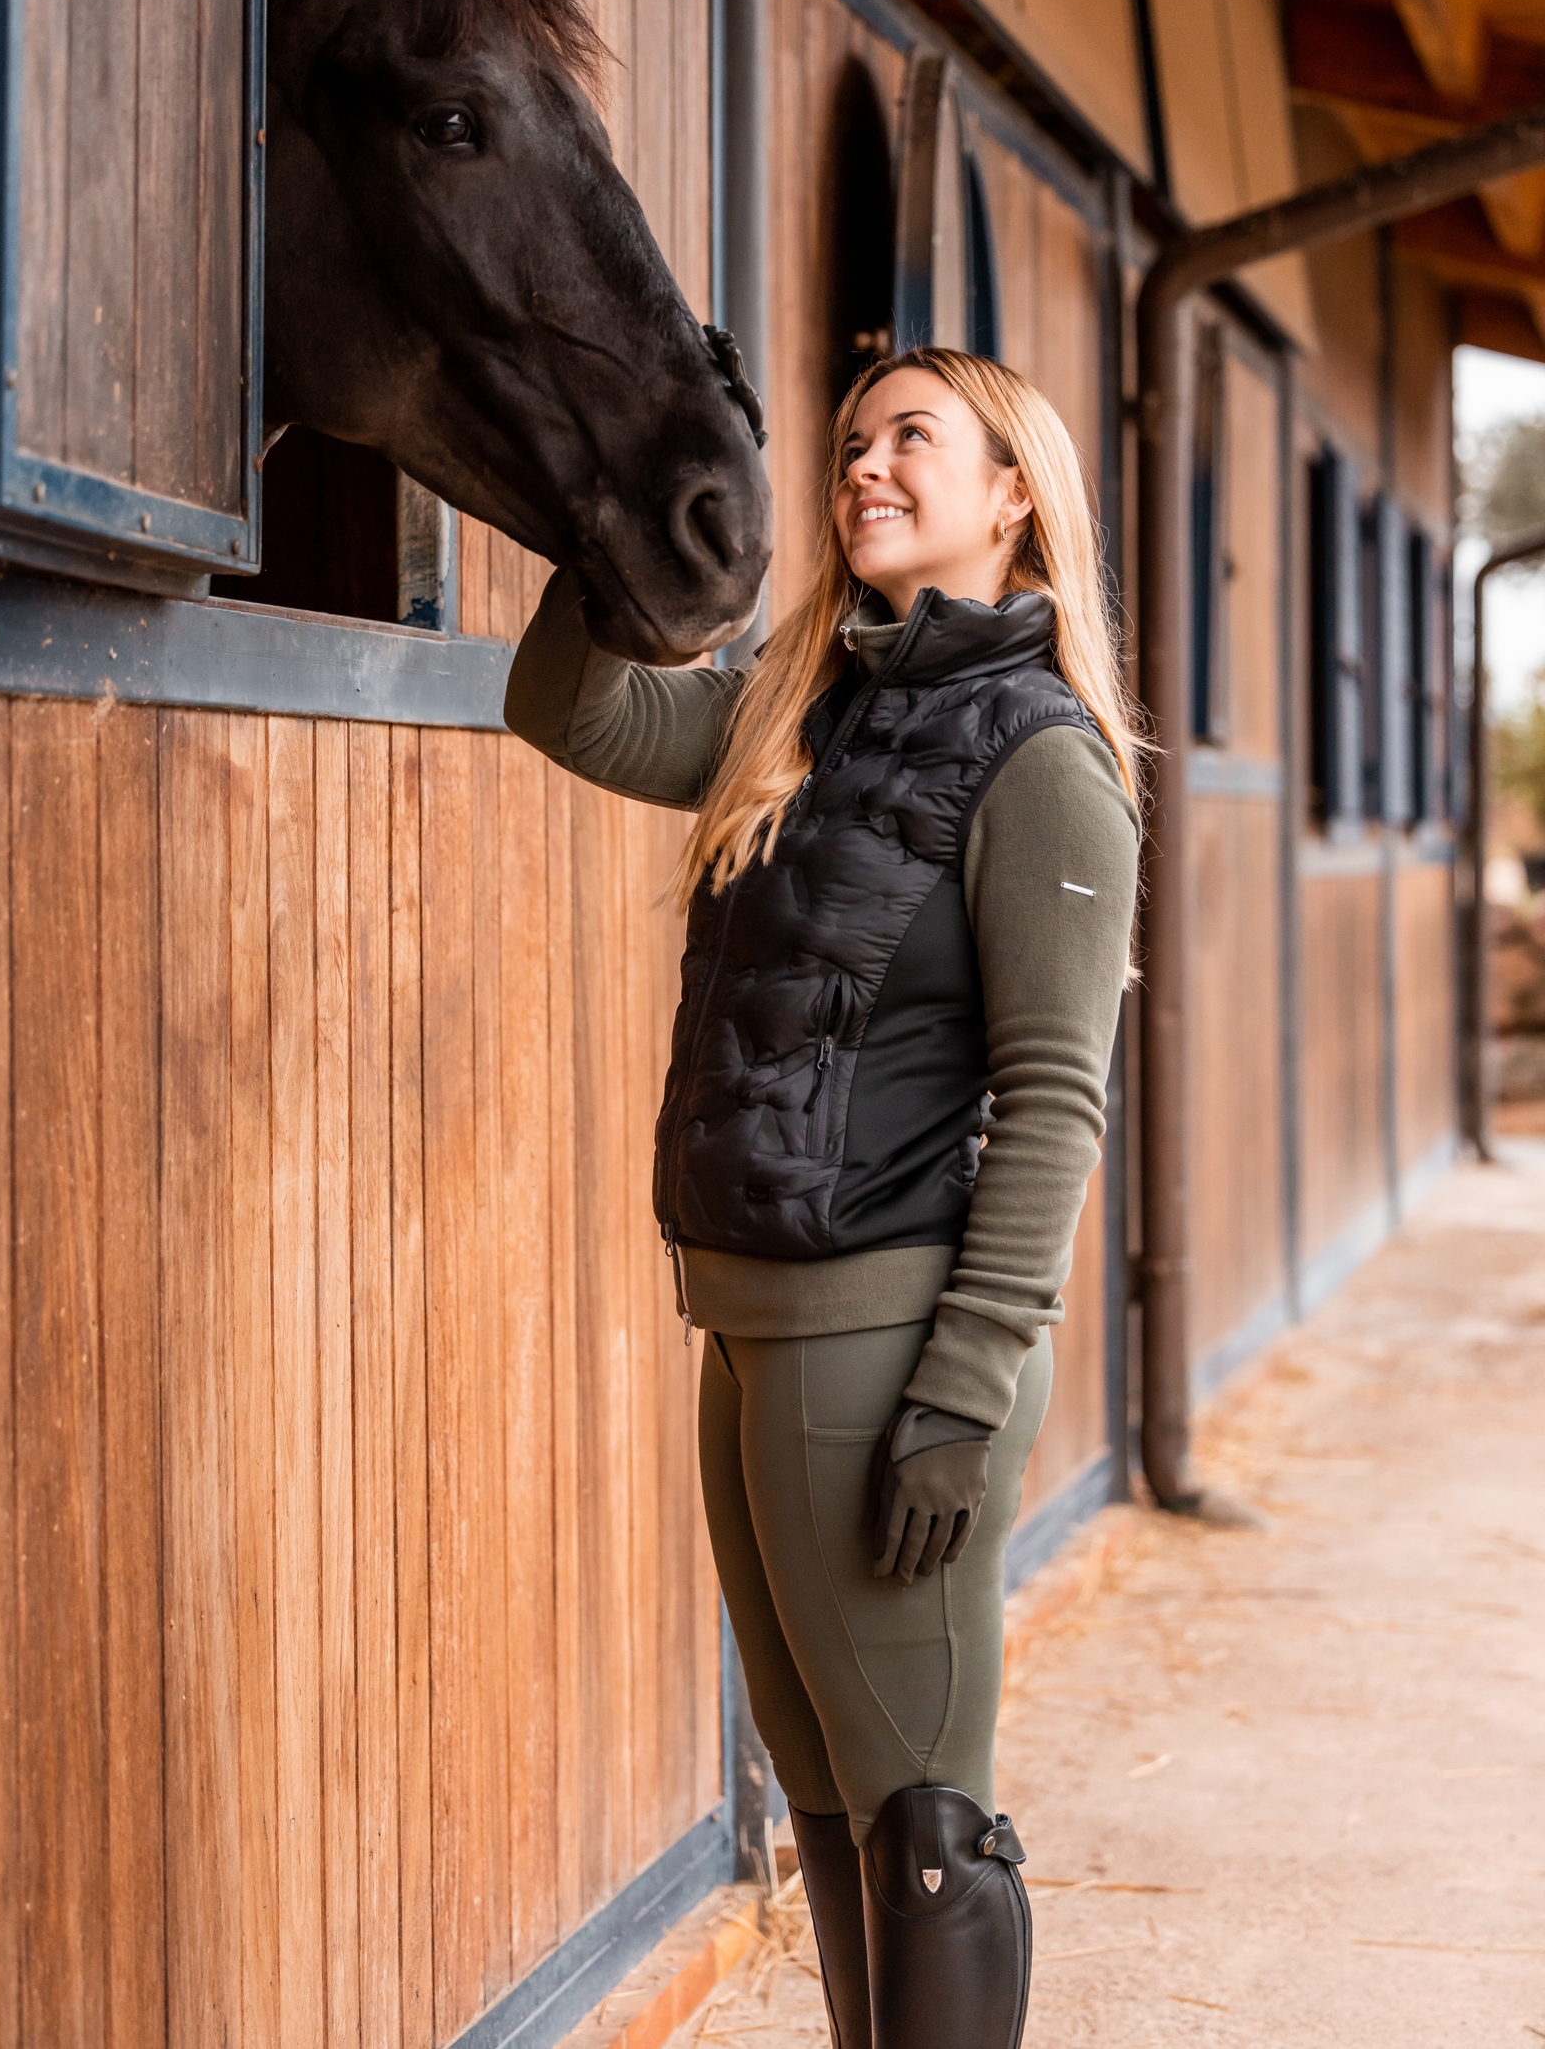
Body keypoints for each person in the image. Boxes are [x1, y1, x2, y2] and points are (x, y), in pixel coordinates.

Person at [506, 347, 1141, 2049]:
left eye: (910, 440)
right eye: (852, 443)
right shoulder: (808, 708)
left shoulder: (1044, 758)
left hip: (891, 1347)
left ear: (1013, 493)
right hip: (754, 1331)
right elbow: (570, 710)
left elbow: (1058, 1098)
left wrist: (964, 1388)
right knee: (841, 1809)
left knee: (928, 1826)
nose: (865, 465)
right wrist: (621, 483)